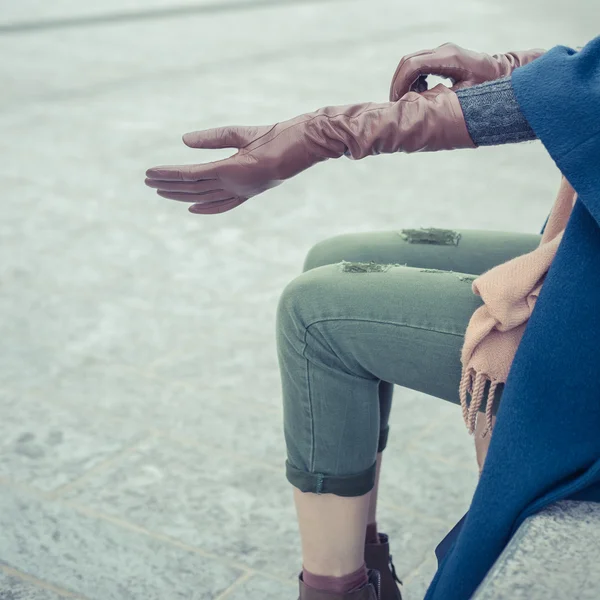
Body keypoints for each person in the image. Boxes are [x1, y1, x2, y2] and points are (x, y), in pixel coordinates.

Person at [145, 36, 600, 600]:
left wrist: (326, 133)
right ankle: (366, 571)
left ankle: (335, 592)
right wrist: (504, 69)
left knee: (315, 314)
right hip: (583, 251)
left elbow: (584, 93)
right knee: (331, 260)